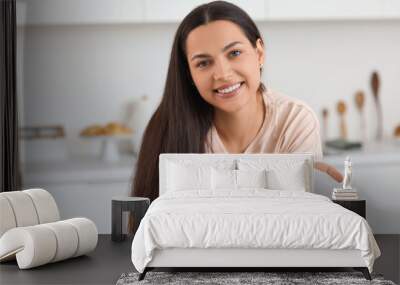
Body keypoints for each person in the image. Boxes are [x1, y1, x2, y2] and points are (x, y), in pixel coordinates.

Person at [131, 1, 342, 201]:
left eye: (235, 53)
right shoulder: (168, 125)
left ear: (259, 53)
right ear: (189, 75)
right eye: (203, 63)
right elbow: (147, 221)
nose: (222, 73)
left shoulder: (294, 120)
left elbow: (299, 219)